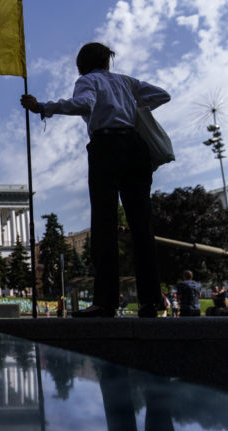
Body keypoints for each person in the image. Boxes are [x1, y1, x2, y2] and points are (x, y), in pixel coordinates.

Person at [21, 42, 170, 318]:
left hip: (106, 148)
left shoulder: (87, 81)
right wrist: (133, 106)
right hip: (136, 148)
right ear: (107, 61)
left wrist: (42, 106)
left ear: (82, 65)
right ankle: (151, 301)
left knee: (104, 224)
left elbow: (83, 104)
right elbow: (163, 95)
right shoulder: (127, 82)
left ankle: (105, 302)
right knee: (142, 227)